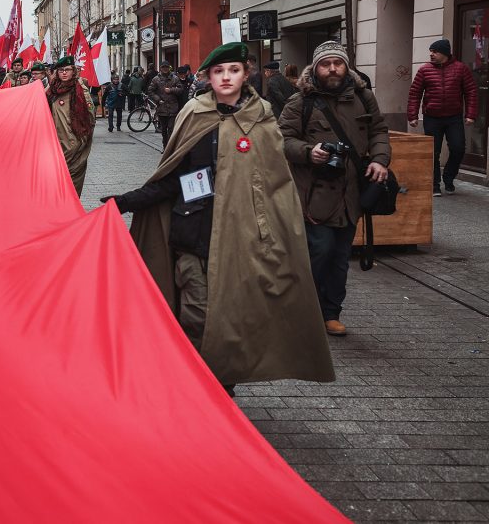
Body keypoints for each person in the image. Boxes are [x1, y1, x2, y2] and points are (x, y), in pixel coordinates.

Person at [102, 42, 335, 394]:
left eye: (234, 70)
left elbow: (275, 183)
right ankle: (202, 392)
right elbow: (171, 177)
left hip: (243, 241)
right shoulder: (194, 114)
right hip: (194, 233)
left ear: (247, 74)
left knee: (232, 320)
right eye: (218, 71)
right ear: (208, 76)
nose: (226, 77)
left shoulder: (264, 118)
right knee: (197, 315)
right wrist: (124, 202)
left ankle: (221, 390)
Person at [279, 40, 391, 336]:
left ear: (346, 66)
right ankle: (308, 310)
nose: (332, 69)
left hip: (350, 192)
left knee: (340, 255)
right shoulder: (300, 101)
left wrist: (380, 160)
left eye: (337, 63)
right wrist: (308, 152)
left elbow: (379, 130)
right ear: (315, 68)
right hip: (314, 192)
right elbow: (281, 139)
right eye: (326, 64)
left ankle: (331, 312)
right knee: (320, 250)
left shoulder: (363, 98)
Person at [407, 39, 478, 196]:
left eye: (434, 51)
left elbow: (471, 91)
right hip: (432, 117)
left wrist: (470, 114)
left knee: (458, 148)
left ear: (444, 53)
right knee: (433, 152)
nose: (431, 54)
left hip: (454, 117)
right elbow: (415, 93)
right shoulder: (424, 70)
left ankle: (448, 177)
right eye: (430, 51)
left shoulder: (461, 69)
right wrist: (412, 115)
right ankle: (434, 185)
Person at [46, 55, 95, 195]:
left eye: (67, 70)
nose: (64, 73)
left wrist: (82, 138)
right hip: (55, 141)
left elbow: (90, 117)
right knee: (56, 179)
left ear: (73, 71)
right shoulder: (52, 89)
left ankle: (70, 209)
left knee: (71, 180)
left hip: (75, 141)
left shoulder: (80, 89)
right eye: (61, 70)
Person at [147, 62, 185, 147]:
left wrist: (171, 90)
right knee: (164, 130)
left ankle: (170, 148)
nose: (165, 69)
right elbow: (150, 91)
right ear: (160, 68)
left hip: (173, 108)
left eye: (167, 67)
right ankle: (165, 146)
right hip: (162, 108)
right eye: (163, 67)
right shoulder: (156, 79)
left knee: (171, 129)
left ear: (169, 68)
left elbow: (180, 89)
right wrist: (158, 99)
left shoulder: (175, 78)